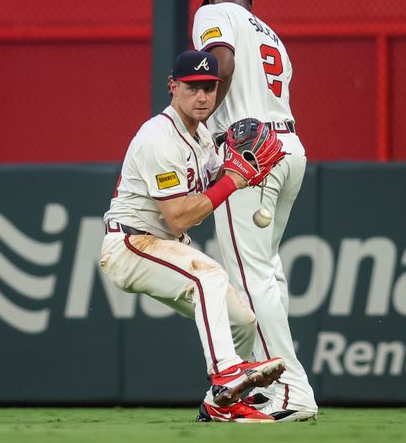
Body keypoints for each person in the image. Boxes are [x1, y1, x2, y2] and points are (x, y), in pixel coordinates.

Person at [100, 50, 287, 423]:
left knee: (242, 321)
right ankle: (225, 375)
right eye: (192, 88)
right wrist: (235, 179)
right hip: (131, 244)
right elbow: (178, 217)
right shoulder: (158, 138)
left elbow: (214, 184)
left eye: (209, 88)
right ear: (173, 87)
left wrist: (247, 166)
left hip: (162, 244)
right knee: (208, 276)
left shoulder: (201, 137)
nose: (202, 97)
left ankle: (221, 405)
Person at [191, 0, 319, 422]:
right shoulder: (273, 37)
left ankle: (292, 389)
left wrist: (200, 124)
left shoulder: (213, 12)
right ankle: (274, 387)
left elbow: (218, 61)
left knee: (250, 278)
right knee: (268, 272)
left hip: (249, 152)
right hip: (288, 149)